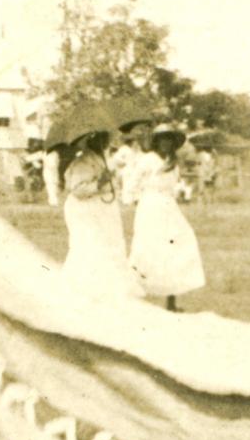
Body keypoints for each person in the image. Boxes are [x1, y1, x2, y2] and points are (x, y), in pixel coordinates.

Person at [55, 129, 143, 301]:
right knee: (90, 245)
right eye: (98, 139)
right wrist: (99, 183)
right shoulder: (82, 162)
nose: (102, 143)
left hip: (101, 209)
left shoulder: (102, 160)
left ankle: (107, 288)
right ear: (90, 140)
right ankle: (84, 289)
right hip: (85, 211)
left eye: (105, 139)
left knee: (109, 245)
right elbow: (77, 190)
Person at [128, 124, 206, 309]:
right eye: (162, 139)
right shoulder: (147, 159)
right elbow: (133, 181)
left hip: (168, 206)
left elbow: (174, 184)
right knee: (147, 246)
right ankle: (134, 295)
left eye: (169, 139)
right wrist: (134, 198)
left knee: (177, 244)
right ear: (156, 142)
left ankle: (171, 300)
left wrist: (179, 191)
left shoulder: (172, 161)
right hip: (150, 204)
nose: (166, 143)